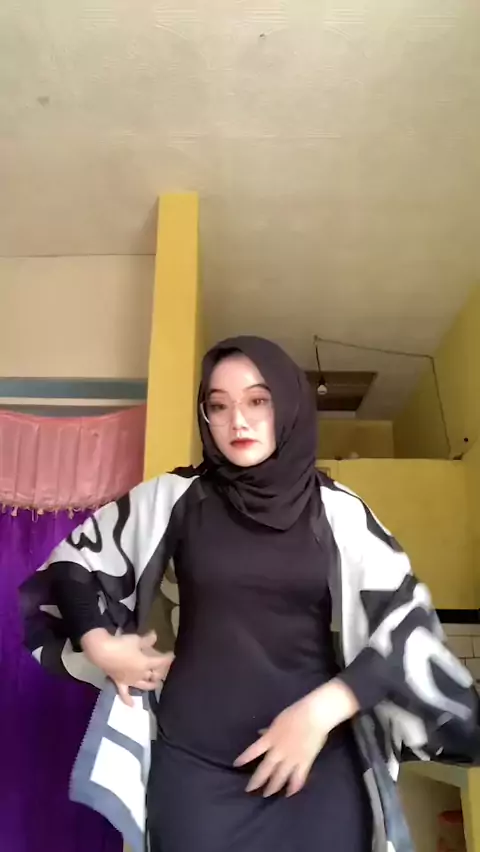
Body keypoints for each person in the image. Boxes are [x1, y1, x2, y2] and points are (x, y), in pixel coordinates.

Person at [21, 336, 479, 852]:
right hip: (195, 766)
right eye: (218, 406)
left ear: (288, 404)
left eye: (258, 400)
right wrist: (101, 644)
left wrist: (324, 710)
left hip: (317, 763)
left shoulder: (338, 510)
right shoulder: (176, 497)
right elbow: (74, 564)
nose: (238, 421)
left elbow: (410, 624)